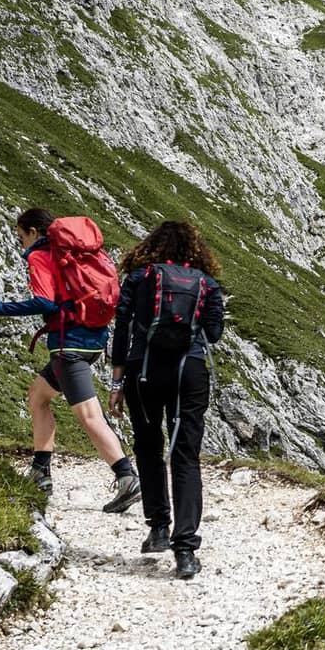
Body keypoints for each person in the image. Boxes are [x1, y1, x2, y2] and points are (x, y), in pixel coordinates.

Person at [0, 208, 142, 512]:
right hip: (92, 342)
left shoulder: (40, 256)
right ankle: (41, 472)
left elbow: (45, 302)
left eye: (21, 237)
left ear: (33, 231)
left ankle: (126, 477)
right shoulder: (73, 254)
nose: (21, 244)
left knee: (88, 416)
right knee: (38, 395)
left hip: (69, 348)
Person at [110, 219, 226, 580]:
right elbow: (214, 333)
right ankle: (186, 550)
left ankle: (159, 526)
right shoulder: (207, 284)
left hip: (143, 369)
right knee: (185, 455)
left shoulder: (139, 278)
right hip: (188, 372)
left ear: (152, 245)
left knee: (148, 445)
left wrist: (116, 382)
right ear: (194, 250)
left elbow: (123, 326)